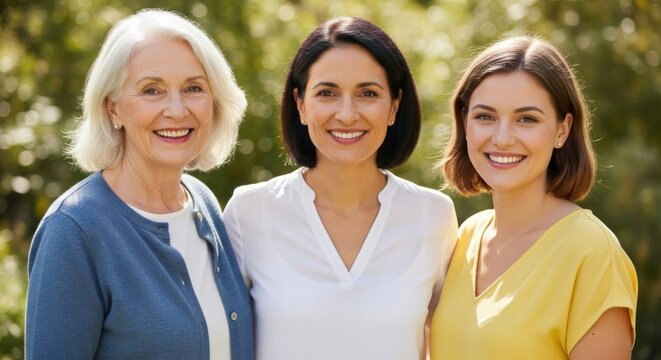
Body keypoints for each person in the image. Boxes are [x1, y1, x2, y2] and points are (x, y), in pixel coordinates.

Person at [223, 16, 457, 360]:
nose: (347, 114)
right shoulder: (249, 212)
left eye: (368, 94)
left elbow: (447, 342)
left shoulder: (433, 215)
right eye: (327, 93)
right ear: (301, 104)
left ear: (394, 106)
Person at [25, 9, 253, 359]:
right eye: (152, 90)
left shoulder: (203, 202)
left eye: (193, 88)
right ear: (113, 109)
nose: (177, 110)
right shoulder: (73, 231)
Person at [430, 35, 638, 359]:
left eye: (526, 119)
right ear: (464, 122)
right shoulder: (466, 235)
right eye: (485, 116)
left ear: (562, 130)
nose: (502, 138)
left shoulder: (593, 253)